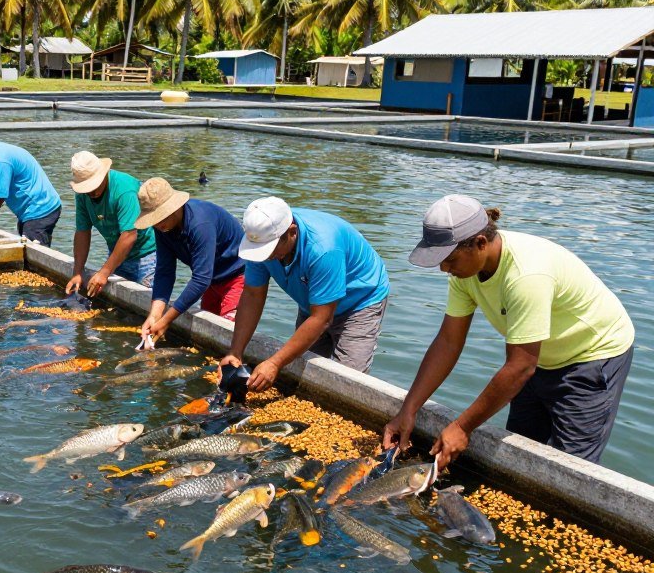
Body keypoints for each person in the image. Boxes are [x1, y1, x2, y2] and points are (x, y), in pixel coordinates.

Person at [382, 195, 634, 469]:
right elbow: (448, 342)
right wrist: (408, 410)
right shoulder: (465, 272)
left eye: (449, 259)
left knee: (571, 467)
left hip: (591, 356)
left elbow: (521, 366)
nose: (444, 268)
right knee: (521, 449)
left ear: (480, 243)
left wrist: (462, 427)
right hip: (536, 357)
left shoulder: (526, 275)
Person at [219, 197, 390, 391]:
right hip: (313, 300)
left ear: (292, 232)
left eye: (271, 250)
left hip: (360, 300)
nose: (266, 257)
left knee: (345, 382)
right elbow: (252, 295)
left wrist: (274, 363)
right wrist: (235, 351)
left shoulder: (323, 249)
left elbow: (322, 318)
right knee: (303, 370)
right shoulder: (262, 238)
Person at [135, 177, 245, 342]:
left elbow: (201, 279)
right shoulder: (163, 228)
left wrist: (166, 320)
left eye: (160, 218)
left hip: (237, 276)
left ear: (174, 208)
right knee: (208, 335)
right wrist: (155, 315)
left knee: (228, 337)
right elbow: (165, 271)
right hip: (211, 280)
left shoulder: (200, 224)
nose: (157, 224)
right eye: (154, 220)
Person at [65, 151, 157, 297]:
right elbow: (82, 231)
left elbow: (129, 235)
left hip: (145, 254)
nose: (91, 192)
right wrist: (77, 272)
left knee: (145, 302)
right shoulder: (83, 194)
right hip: (117, 250)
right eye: (87, 189)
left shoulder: (124, 190)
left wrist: (105, 272)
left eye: (93, 187)